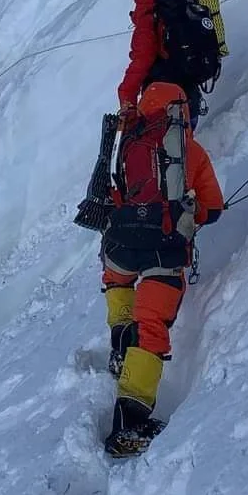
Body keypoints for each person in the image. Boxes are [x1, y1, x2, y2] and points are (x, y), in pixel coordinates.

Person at [100, 81, 224, 457]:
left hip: (121, 244)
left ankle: (119, 345)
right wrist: (187, 214)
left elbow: (114, 192)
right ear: (180, 109)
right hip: (163, 252)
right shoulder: (190, 150)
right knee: (151, 327)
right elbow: (212, 208)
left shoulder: (129, 140)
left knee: (117, 282)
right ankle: (130, 423)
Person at [117, 0, 221, 131]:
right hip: (191, 98)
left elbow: (140, 65)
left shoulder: (147, 24)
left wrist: (126, 100)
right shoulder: (186, 15)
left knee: (163, 150)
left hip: (163, 104)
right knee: (185, 146)